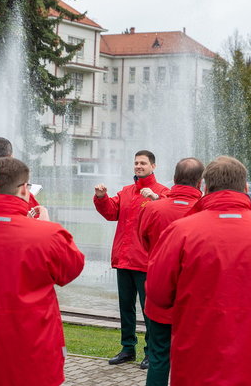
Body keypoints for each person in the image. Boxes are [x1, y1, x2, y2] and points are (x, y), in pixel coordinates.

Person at [147, 156, 251, 386]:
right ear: (245, 188)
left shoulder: (181, 231)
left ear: (205, 187)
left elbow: (157, 293)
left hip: (195, 359)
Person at [0, 157, 84, 386]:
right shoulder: (48, 235)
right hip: (34, 352)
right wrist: (47, 226)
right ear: (23, 189)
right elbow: (71, 270)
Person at [94, 150, 170, 368]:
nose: (138, 166)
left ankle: (151, 351)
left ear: (153, 166)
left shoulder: (163, 192)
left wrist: (155, 200)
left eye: (143, 163)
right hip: (124, 260)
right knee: (126, 307)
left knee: (149, 310)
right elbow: (111, 212)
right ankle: (128, 348)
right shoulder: (126, 192)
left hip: (146, 262)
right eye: (136, 162)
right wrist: (101, 198)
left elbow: (168, 214)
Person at [138, 157, 204, 386]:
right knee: (193, 360)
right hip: (195, 299)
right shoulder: (205, 213)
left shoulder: (154, 209)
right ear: (200, 183)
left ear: (175, 178)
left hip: (159, 295)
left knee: (158, 356)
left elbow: (144, 242)